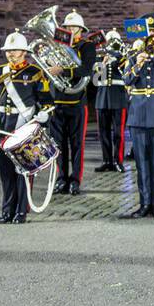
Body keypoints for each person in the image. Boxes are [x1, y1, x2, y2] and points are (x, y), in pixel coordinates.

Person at [0, 32, 52, 224]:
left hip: (23, 131)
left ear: (24, 52)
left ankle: (21, 211)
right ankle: (7, 212)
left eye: (14, 50)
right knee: (6, 175)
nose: (10, 54)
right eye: (8, 51)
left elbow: (47, 102)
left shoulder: (35, 72)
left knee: (23, 173)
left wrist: (45, 114)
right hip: (2, 130)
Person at [122, 15, 154, 218]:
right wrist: (137, 62)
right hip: (138, 114)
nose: (152, 35)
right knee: (142, 162)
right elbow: (127, 79)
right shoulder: (134, 53)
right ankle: (144, 203)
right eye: (149, 31)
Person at [50, 10, 96, 195]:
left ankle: (75, 180)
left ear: (80, 29)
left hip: (76, 101)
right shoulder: (56, 45)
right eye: (67, 26)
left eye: (74, 26)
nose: (70, 29)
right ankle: (61, 179)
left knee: (77, 144)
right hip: (57, 101)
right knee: (58, 144)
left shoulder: (87, 46)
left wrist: (63, 70)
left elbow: (86, 70)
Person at [93, 30, 128, 173]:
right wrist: (102, 63)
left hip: (118, 98)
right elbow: (95, 81)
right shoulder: (99, 57)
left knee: (118, 133)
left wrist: (118, 55)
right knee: (103, 132)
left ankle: (118, 161)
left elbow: (126, 74)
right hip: (102, 98)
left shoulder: (123, 57)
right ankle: (106, 160)